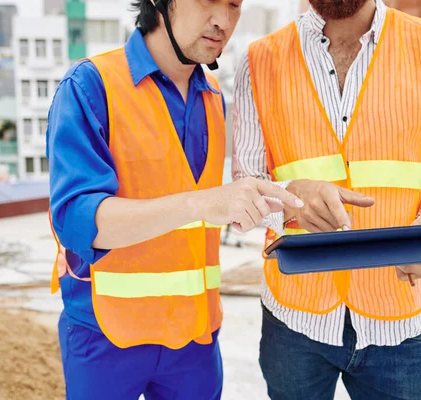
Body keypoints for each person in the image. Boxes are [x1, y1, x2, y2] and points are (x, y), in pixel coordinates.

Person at [45, 0, 308, 398]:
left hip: (193, 341)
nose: (223, 21)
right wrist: (203, 203)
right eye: (208, 1)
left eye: (234, 5)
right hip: (106, 335)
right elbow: (76, 220)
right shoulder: (90, 86)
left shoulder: (214, 95)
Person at [233, 0, 421, 398]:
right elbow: (248, 180)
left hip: (398, 319)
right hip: (293, 318)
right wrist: (292, 198)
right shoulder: (258, 61)